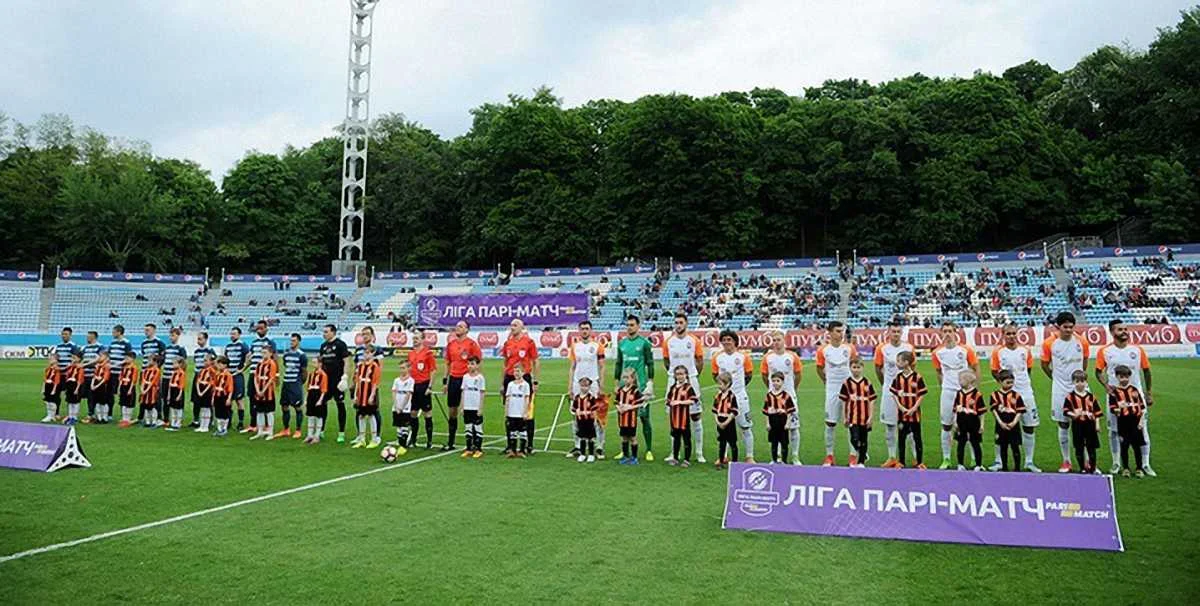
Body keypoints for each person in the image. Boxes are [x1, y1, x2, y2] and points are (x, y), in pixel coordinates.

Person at [1095, 319, 1155, 476]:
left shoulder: (1137, 350)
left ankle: (1145, 464)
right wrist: (1106, 385)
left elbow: (1146, 371)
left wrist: (1148, 393)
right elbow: (1098, 371)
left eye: (1125, 329)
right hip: (1116, 399)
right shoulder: (1105, 351)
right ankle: (1116, 463)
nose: (1124, 332)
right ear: (1112, 332)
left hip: (1136, 398)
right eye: (1120, 329)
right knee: (1114, 431)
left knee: (1142, 429)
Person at [1041, 311, 1089, 473]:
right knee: (1063, 424)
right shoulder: (1049, 343)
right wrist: (1056, 378)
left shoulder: (1082, 341)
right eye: (1065, 327)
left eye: (1071, 327)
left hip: (1080, 390)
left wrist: (1080, 381)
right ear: (1058, 327)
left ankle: (1087, 461)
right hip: (1060, 390)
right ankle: (1066, 461)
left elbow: (1084, 363)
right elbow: (1044, 364)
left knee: (1084, 424)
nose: (1068, 330)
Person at [988, 324, 1040, 472]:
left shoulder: (1025, 350)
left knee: (1029, 426)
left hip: (1025, 393)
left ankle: (1029, 461)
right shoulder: (998, 352)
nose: (1011, 336)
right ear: (1003, 335)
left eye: (1013, 333)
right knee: (1002, 428)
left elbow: (1028, 370)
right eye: (1008, 334)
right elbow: (995, 371)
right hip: (1006, 396)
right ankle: (999, 461)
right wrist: (1005, 387)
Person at [931, 321, 978, 469]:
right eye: (945, 331)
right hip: (948, 392)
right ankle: (946, 458)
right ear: (941, 333)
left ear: (955, 332)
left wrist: (974, 389)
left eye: (950, 331)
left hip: (965, 393)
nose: (947, 334)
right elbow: (938, 372)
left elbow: (975, 367)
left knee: (969, 426)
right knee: (946, 425)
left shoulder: (965, 350)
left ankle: (974, 459)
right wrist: (944, 386)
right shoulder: (937, 352)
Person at [663, 313, 706, 463]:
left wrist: (692, 376)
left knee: (695, 415)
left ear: (686, 323)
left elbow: (699, 360)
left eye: (681, 322)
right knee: (673, 416)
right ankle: (674, 452)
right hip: (673, 380)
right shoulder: (668, 342)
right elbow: (666, 361)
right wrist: (675, 376)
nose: (678, 325)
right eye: (676, 322)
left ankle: (699, 452)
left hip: (691, 379)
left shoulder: (694, 340)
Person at [817, 321, 859, 466]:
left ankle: (853, 456)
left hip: (848, 389)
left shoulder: (849, 348)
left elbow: (855, 366)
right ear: (829, 332)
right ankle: (829, 456)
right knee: (830, 423)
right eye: (837, 331)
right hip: (832, 389)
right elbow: (819, 368)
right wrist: (827, 381)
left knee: (852, 423)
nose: (841, 334)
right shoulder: (823, 350)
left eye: (842, 331)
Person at [711, 329, 755, 463]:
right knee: (724, 428)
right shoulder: (717, 357)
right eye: (724, 340)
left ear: (735, 341)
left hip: (740, 396)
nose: (726, 342)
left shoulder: (743, 357)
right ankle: (723, 456)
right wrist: (724, 390)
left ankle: (749, 456)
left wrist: (738, 388)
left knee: (745, 426)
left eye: (729, 339)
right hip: (724, 399)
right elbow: (715, 375)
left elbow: (749, 374)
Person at [614, 316, 654, 460]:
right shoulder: (622, 343)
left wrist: (650, 382)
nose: (629, 327)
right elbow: (619, 364)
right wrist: (616, 383)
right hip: (625, 386)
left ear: (638, 326)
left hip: (640, 386)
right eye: (628, 325)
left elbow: (650, 363)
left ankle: (648, 449)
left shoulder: (644, 343)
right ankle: (624, 450)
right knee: (623, 417)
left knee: (644, 418)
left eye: (632, 325)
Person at [874, 323, 912, 468]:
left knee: (910, 426)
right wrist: (886, 384)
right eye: (893, 331)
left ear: (901, 333)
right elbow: (878, 368)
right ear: (889, 333)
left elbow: (912, 368)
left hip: (906, 393)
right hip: (889, 391)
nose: (896, 334)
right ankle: (891, 457)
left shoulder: (908, 348)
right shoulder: (882, 348)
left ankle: (915, 458)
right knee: (890, 425)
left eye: (898, 331)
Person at [762, 331, 803, 464]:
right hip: (774, 399)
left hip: (790, 396)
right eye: (774, 340)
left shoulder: (792, 356)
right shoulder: (768, 357)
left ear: (784, 340)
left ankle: (795, 456)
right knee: (776, 428)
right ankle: (778, 456)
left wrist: (792, 389)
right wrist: (772, 390)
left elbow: (798, 374)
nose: (776, 342)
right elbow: (764, 376)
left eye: (778, 340)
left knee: (794, 427)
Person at [568, 320, 606, 459]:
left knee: (597, 416)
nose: (584, 331)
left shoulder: (597, 346)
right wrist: (570, 386)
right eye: (582, 328)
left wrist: (601, 385)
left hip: (593, 383)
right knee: (576, 416)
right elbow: (572, 367)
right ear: (579, 330)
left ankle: (599, 446)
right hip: (577, 384)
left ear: (591, 330)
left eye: (587, 328)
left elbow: (602, 366)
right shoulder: (575, 346)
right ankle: (578, 445)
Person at [442, 321, 482, 451]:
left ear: (467, 330)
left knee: (470, 410)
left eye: (461, 326)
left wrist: (476, 379)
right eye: (457, 326)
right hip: (454, 379)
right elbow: (447, 363)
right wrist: (445, 381)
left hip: (467, 380)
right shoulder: (451, 344)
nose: (457, 328)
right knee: (452, 410)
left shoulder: (472, 344)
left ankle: (474, 442)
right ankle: (451, 441)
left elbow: (478, 363)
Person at [889, 351, 927, 469]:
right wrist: (900, 406)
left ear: (906, 362)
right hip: (902, 414)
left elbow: (921, 394)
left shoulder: (917, 377)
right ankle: (901, 461)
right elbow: (894, 393)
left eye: (899, 361)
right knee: (901, 437)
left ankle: (919, 462)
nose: (897, 363)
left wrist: (914, 408)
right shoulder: (898, 377)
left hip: (915, 414)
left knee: (917, 438)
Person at [1108, 365, 1147, 478]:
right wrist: (1119, 408)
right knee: (1124, 446)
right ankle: (1125, 468)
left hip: (1135, 422)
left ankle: (1139, 468)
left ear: (1129, 377)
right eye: (1121, 377)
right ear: (1117, 377)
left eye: (1126, 377)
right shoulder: (1114, 393)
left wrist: (1141, 422)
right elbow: (1113, 409)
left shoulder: (1134, 390)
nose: (1124, 379)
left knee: (1137, 446)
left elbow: (1141, 408)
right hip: (1123, 423)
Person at [1064, 370, 1102, 474]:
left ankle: (1093, 468)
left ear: (1086, 382)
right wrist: (1074, 414)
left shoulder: (1091, 397)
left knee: (1091, 447)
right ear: (1073, 382)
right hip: (1078, 425)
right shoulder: (1070, 397)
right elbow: (1066, 411)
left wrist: (1097, 425)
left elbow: (1097, 412)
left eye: (1082, 381)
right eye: (1077, 381)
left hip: (1090, 425)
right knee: (1079, 447)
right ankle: (1082, 468)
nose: (1080, 384)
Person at [318, 324, 352, 443]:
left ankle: (341, 433)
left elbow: (346, 361)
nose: (324, 334)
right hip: (326, 381)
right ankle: (321, 430)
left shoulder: (340, 344)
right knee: (322, 403)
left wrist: (345, 377)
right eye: (324, 332)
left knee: (340, 404)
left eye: (326, 332)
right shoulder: (323, 346)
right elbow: (321, 363)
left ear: (333, 332)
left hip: (338, 381)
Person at [839, 359, 875, 468]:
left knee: (864, 439)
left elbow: (872, 400)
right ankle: (862, 452)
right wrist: (844, 416)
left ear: (862, 368)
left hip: (864, 417)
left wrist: (871, 417)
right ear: (850, 368)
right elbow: (844, 401)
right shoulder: (847, 383)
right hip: (852, 417)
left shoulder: (867, 383)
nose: (856, 370)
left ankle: (861, 462)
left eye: (858, 367)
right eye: (854, 367)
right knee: (854, 438)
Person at [989, 370, 1026, 472]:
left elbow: (1020, 411)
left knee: (1015, 446)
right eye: (1007, 382)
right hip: (1001, 425)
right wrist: (1000, 422)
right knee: (1003, 447)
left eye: (1012, 382)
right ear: (1000, 382)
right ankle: (1004, 467)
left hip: (1013, 425)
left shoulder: (1016, 395)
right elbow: (994, 410)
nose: (1010, 385)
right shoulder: (995, 395)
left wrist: (1014, 422)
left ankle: (1017, 468)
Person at [407, 328, 437, 449]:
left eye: (417, 338)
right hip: (413, 386)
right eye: (413, 338)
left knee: (427, 413)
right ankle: (413, 439)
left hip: (424, 385)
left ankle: (429, 441)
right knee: (413, 413)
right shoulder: (410, 353)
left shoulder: (428, 353)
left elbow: (433, 370)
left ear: (423, 340)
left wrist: (430, 386)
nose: (414, 340)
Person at [952, 370, 986, 471]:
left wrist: (982, 425)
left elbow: (982, 411)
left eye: (961, 380)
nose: (959, 382)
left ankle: (978, 464)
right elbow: (955, 409)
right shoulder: (959, 393)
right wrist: (955, 422)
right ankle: (960, 464)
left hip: (973, 421)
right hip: (961, 421)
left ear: (968, 381)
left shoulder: (977, 394)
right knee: (961, 443)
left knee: (975, 443)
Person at [276, 334, 307, 439]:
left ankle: (298, 430)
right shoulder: (287, 354)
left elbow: (304, 371)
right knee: (284, 406)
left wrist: (299, 382)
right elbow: (285, 365)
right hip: (286, 382)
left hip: (295, 383)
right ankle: (286, 429)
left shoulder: (302, 355)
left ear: (298, 342)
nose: (291, 342)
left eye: (294, 341)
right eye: (291, 340)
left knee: (297, 406)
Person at [351, 343, 382, 449]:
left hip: (369, 393)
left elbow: (375, 382)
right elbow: (358, 382)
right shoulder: (360, 366)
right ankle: (362, 439)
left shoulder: (375, 366)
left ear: (373, 353)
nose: (366, 355)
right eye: (365, 352)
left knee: (371, 415)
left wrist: (372, 395)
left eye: (368, 353)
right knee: (361, 415)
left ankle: (374, 439)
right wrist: (355, 395)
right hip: (361, 394)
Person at [666, 366, 698, 467]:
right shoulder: (673, 388)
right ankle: (675, 458)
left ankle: (687, 459)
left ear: (686, 375)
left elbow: (693, 400)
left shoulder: (688, 387)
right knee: (676, 439)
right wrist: (671, 403)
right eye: (677, 374)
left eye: (681, 374)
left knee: (686, 439)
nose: (680, 376)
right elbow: (668, 400)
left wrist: (680, 402)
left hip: (684, 419)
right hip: (674, 418)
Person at [765, 371, 798, 465]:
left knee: (784, 443)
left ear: (782, 382)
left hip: (782, 421)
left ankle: (784, 460)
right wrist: (767, 423)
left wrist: (788, 423)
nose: (775, 383)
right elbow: (766, 411)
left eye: (778, 381)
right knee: (774, 442)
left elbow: (790, 411)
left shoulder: (786, 396)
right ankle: (774, 459)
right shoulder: (769, 395)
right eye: (773, 381)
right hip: (773, 421)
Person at [248, 342, 279, 441]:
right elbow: (255, 377)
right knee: (259, 412)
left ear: (270, 353)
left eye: (265, 352)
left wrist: (263, 390)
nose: (263, 354)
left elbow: (271, 378)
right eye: (262, 352)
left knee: (269, 412)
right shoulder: (259, 364)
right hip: (259, 391)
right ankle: (260, 431)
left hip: (268, 392)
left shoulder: (272, 364)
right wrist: (258, 390)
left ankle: (270, 432)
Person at [224, 327, 251, 432]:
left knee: (239, 400)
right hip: (229, 376)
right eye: (231, 334)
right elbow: (225, 359)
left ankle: (240, 422)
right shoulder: (228, 346)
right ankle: (228, 421)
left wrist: (242, 369)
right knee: (229, 399)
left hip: (237, 376)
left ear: (239, 335)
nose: (232, 335)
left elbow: (249, 357)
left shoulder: (242, 345)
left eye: (234, 334)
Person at [615, 368, 644, 465]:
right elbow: (616, 402)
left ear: (633, 379)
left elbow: (641, 403)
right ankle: (625, 456)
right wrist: (619, 408)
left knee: (632, 438)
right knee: (624, 438)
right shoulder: (620, 390)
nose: (625, 380)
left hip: (631, 420)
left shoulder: (635, 391)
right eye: (624, 377)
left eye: (627, 378)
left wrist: (630, 407)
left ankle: (634, 457)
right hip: (622, 419)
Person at [711, 372, 739, 468]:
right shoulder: (717, 396)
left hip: (729, 421)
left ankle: (735, 463)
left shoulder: (732, 396)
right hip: (720, 420)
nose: (719, 386)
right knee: (722, 443)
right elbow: (714, 410)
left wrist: (726, 422)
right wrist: (717, 421)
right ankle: (721, 460)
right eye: (718, 383)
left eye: (721, 384)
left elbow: (734, 411)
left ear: (728, 384)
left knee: (732, 443)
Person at [460, 357, 486, 458]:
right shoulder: (465, 377)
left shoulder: (480, 378)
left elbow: (482, 393)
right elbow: (463, 392)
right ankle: (469, 448)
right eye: (469, 364)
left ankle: (478, 449)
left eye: (472, 364)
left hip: (476, 407)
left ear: (477, 365)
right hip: (467, 406)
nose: (470, 366)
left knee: (477, 427)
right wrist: (462, 406)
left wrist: (480, 408)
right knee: (468, 427)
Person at [161, 327, 187, 428]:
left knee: (177, 399)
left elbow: (184, 363)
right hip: (166, 376)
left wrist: (180, 375)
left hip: (175, 378)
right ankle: (166, 419)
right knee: (165, 398)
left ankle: (178, 420)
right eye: (170, 335)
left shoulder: (180, 348)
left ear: (178, 336)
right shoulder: (167, 348)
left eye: (173, 335)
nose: (171, 337)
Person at [189, 331, 215, 428]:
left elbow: (214, 364)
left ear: (206, 339)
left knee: (207, 399)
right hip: (198, 376)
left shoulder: (210, 351)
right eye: (198, 339)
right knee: (196, 399)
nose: (198, 341)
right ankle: (196, 420)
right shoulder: (196, 351)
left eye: (200, 339)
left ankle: (210, 420)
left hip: (207, 377)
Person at [141, 324, 166, 425]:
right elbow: (144, 356)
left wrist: (156, 368)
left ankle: (158, 417)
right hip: (144, 372)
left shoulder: (159, 342)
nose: (146, 332)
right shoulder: (144, 343)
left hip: (154, 373)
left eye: (148, 330)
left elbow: (163, 357)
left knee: (155, 395)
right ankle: (145, 416)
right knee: (144, 394)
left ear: (154, 331)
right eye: (145, 330)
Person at [504, 371, 532, 458]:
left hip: (521, 412)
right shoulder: (510, 384)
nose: (516, 373)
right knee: (512, 431)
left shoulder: (525, 385)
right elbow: (508, 398)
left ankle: (522, 450)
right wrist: (506, 411)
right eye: (515, 371)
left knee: (522, 431)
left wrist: (525, 412)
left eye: (518, 371)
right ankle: (513, 450)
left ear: (523, 373)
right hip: (512, 412)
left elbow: (527, 399)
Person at [80, 330, 106, 423]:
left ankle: (92, 414)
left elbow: (101, 359)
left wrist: (86, 364)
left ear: (94, 337)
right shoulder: (85, 347)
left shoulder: (100, 347)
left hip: (94, 375)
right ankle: (92, 413)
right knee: (88, 395)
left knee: (93, 396)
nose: (87, 338)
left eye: (89, 336)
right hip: (85, 375)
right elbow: (81, 358)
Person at [571, 376, 599, 463]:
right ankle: (582, 454)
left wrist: (594, 419)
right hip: (580, 421)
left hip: (589, 421)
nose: (584, 388)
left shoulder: (591, 398)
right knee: (582, 437)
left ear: (589, 386)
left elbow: (594, 410)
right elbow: (574, 409)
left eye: (586, 386)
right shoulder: (577, 398)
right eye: (582, 386)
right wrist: (577, 412)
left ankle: (591, 454)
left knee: (590, 437)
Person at [389, 360, 415, 450]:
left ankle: (403, 446)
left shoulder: (411, 381)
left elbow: (408, 394)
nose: (402, 370)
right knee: (398, 426)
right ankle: (400, 443)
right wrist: (396, 406)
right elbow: (394, 392)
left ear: (408, 368)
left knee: (404, 426)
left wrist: (402, 407)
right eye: (400, 368)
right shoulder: (396, 380)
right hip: (396, 407)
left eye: (403, 368)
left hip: (405, 408)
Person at [304, 358, 330, 445]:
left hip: (318, 395)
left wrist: (320, 400)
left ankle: (317, 435)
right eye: (313, 362)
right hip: (311, 395)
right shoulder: (311, 374)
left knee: (319, 416)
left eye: (315, 362)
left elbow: (324, 389)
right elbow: (308, 387)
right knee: (310, 416)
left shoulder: (323, 375)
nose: (313, 364)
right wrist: (306, 399)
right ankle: (310, 435)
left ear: (320, 364)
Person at [210, 356, 235, 437]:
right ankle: (219, 429)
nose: (218, 366)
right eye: (218, 364)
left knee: (224, 413)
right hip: (217, 395)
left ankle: (224, 429)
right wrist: (213, 397)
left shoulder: (228, 375)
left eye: (220, 364)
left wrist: (229, 398)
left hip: (224, 396)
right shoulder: (217, 374)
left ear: (225, 365)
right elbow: (214, 386)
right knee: (218, 413)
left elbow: (230, 388)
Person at [192, 354, 216, 433]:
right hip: (201, 390)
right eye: (204, 361)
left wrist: (203, 392)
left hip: (207, 391)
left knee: (207, 408)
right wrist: (199, 391)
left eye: (206, 361)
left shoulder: (212, 371)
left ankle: (206, 426)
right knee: (202, 409)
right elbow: (198, 381)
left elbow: (211, 383)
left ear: (211, 362)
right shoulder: (202, 370)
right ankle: (202, 425)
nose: (204, 362)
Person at [139, 355, 163, 428]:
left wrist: (146, 390)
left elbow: (153, 382)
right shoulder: (146, 370)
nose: (148, 362)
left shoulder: (157, 370)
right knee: (146, 406)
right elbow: (143, 380)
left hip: (152, 391)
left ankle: (154, 421)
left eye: (150, 360)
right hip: (145, 390)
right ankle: (147, 421)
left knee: (153, 406)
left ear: (155, 362)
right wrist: (142, 389)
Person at [89, 351, 112, 424]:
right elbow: (94, 376)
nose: (99, 357)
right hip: (96, 385)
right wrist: (92, 384)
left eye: (101, 356)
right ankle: (99, 418)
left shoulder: (107, 366)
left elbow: (105, 378)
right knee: (97, 402)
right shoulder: (98, 366)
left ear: (106, 358)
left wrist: (96, 385)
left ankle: (105, 418)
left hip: (103, 386)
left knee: (103, 402)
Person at [164, 356, 187, 431]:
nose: (173, 365)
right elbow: (170, 385)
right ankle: (173, 423)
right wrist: (168, 394)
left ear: (180, 364)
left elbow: (181, 386)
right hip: (172, 391)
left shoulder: (182, 373)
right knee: (172, 408)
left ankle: (178, 423)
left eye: (174, 363)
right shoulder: (173, 373)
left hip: (177, 391)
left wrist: (179, 395)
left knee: (178, 408)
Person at [62, 352, 85, 425]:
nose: (72, 359)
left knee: (75, 402)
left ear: (79, 359)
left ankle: (74, 417)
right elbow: (67, 376)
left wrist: (77, 389)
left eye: (74, 358)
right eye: (72, 358)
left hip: (75, 386)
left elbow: (80, 379)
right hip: (70, 385)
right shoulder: (71, 367)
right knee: (69, 402)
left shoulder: (80, 368)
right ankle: (70, 416)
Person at [117, 356, 139, 428]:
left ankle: (128, 419)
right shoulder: (123, 367)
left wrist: (130, 389)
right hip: (123, 386)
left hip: (129, 386)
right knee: (123, 402)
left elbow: (133, 380)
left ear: (132, 359)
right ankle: (124, 418)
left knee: (129, 403)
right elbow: (120, 378)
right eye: (125, 358)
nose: (126, 360)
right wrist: (119, 387)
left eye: (127, 358)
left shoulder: (134, 368)